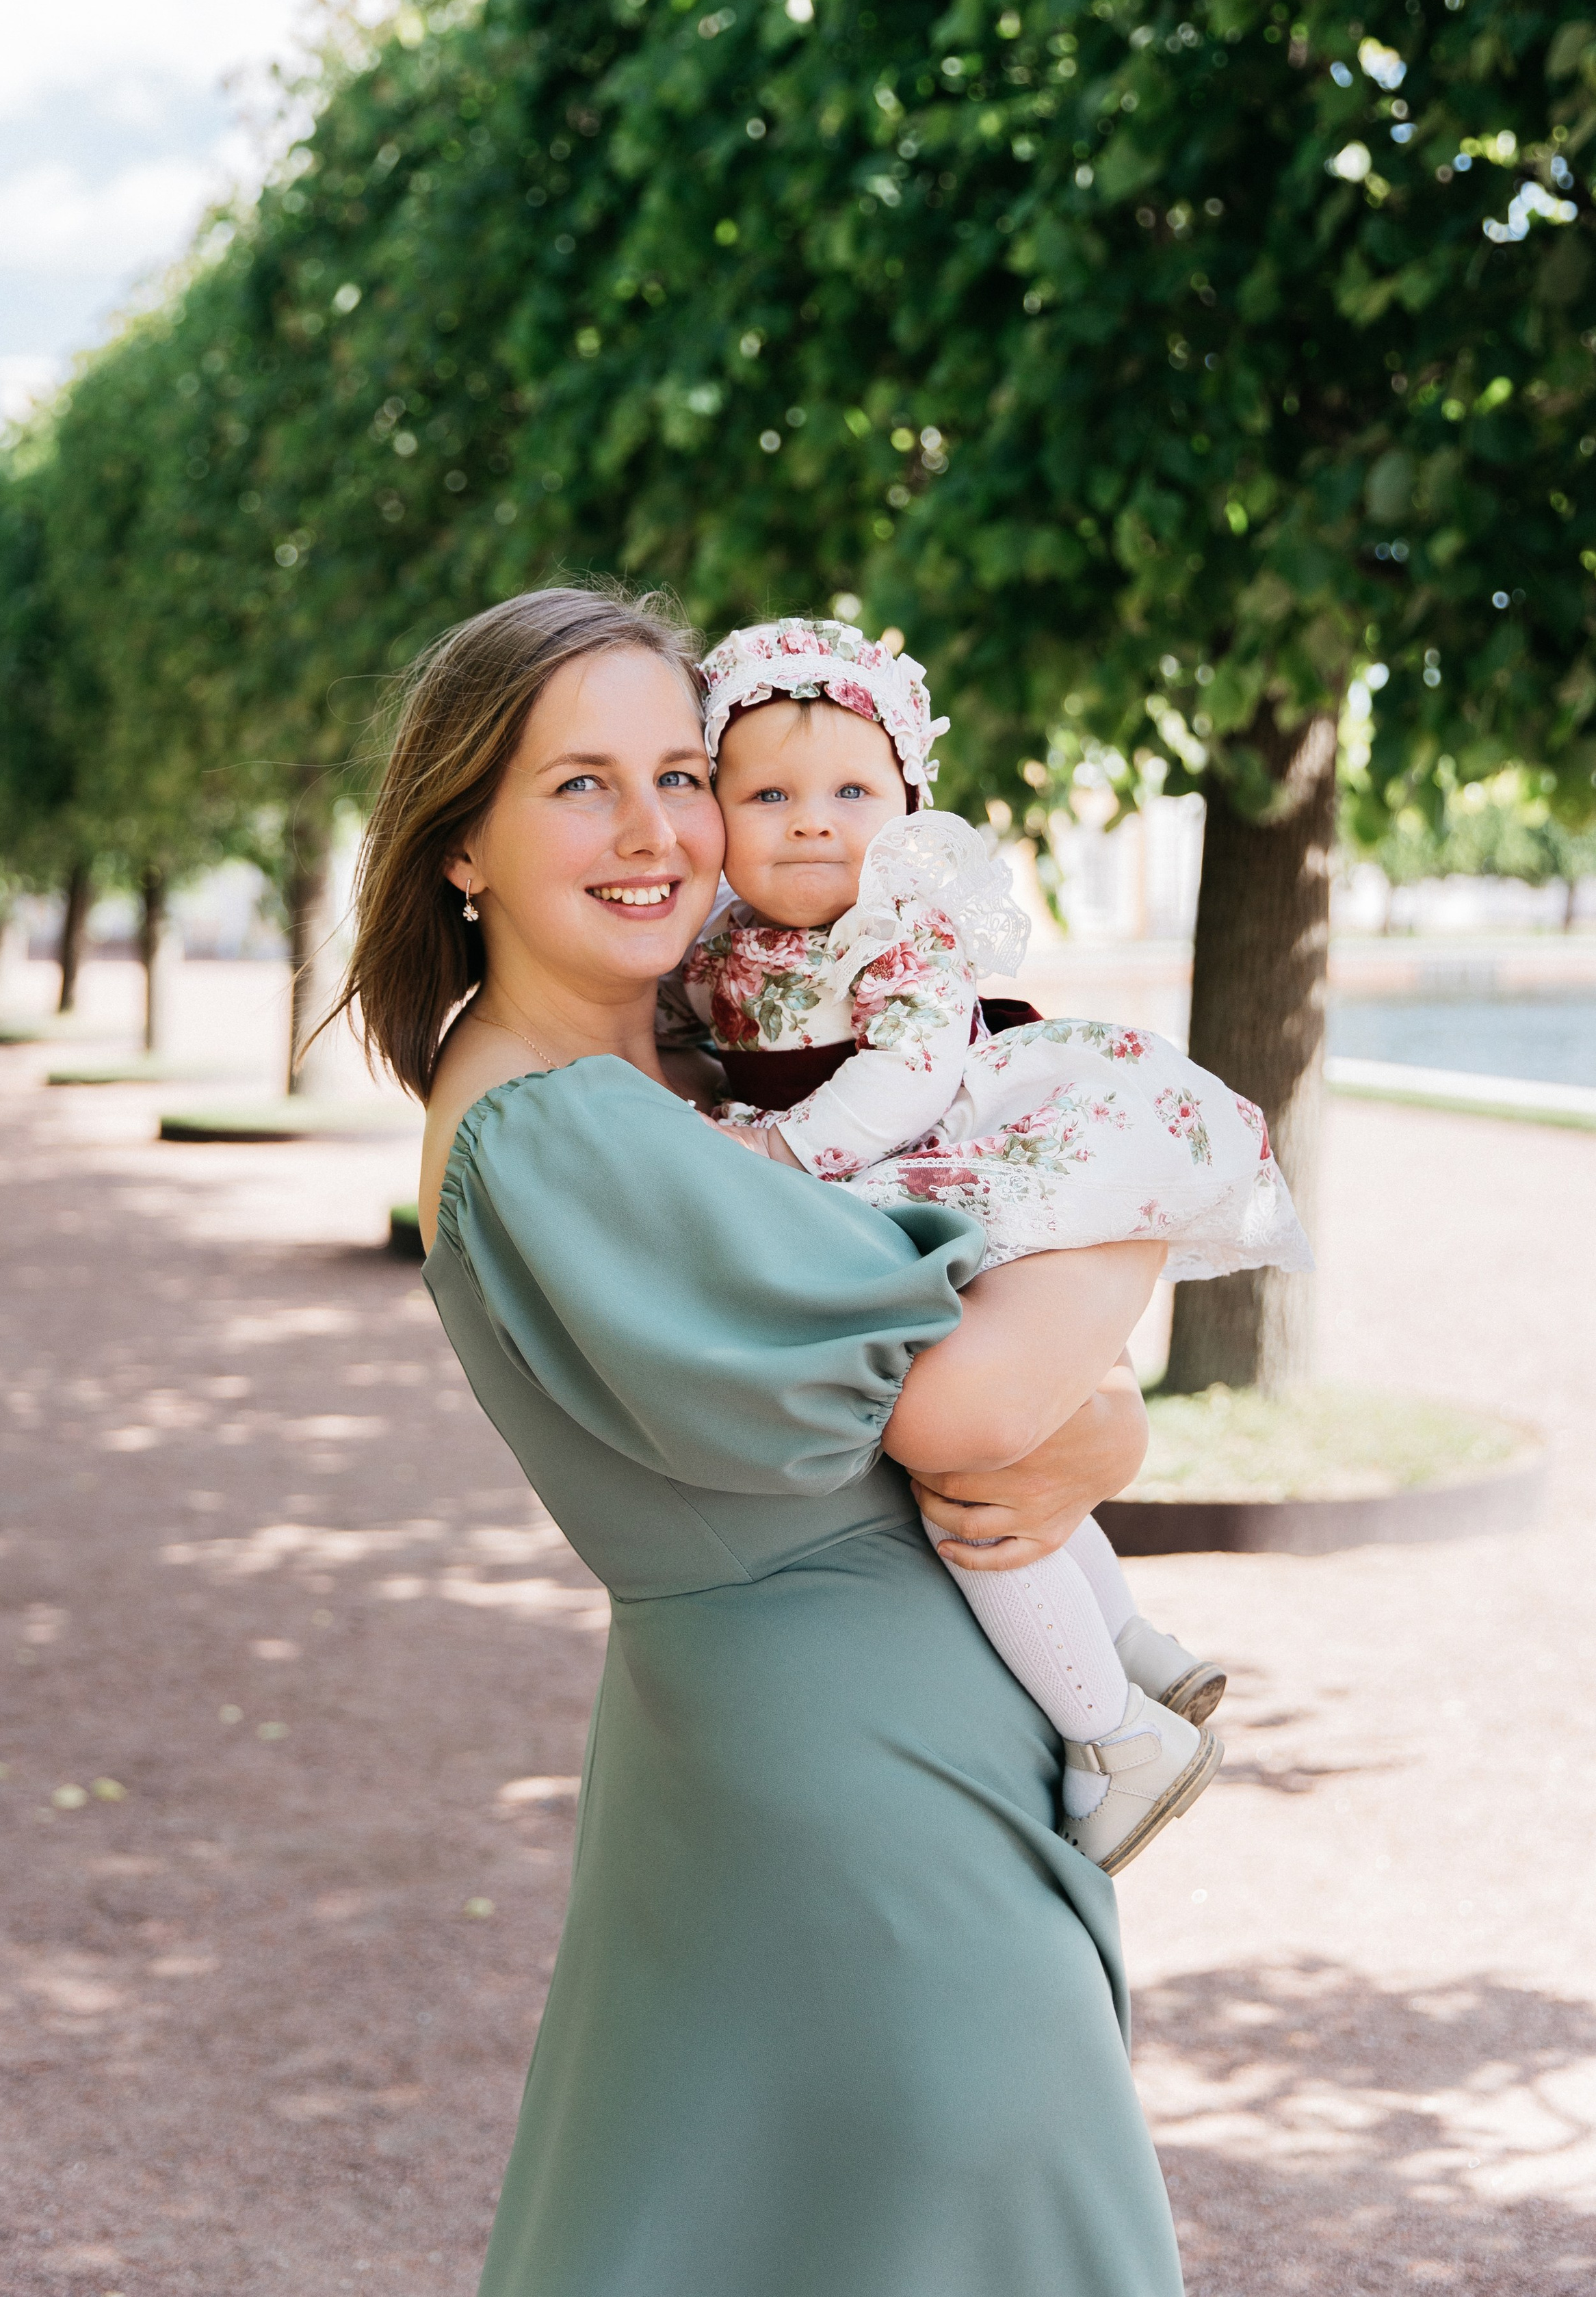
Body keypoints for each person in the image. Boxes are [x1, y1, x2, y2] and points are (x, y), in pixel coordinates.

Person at [336, 583, 1187, 2297]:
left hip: (801, 1751)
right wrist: (1156, 1180)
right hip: (838, 1788)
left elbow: (995, 1393)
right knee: (971, 2202)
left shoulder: (671, 1083)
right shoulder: (560, 1126)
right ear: (462, 848)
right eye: (578, 785)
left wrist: (1084, 1415)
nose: (657, 831)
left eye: (680, 770)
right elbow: (974, 1407)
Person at [670, 617, 1312, 1869]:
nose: (814, 820)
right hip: (877, 1178)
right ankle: (1133, 1651)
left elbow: (911, 1072)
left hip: (950, 1164)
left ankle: (1115, 1733)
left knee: (967, 1475)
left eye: (853, 791)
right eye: (771, 794)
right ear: (719, 811)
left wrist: (790, 1155)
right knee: (1006, 1451)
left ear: (906, 808)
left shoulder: (897, 927)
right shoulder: (719, 943)